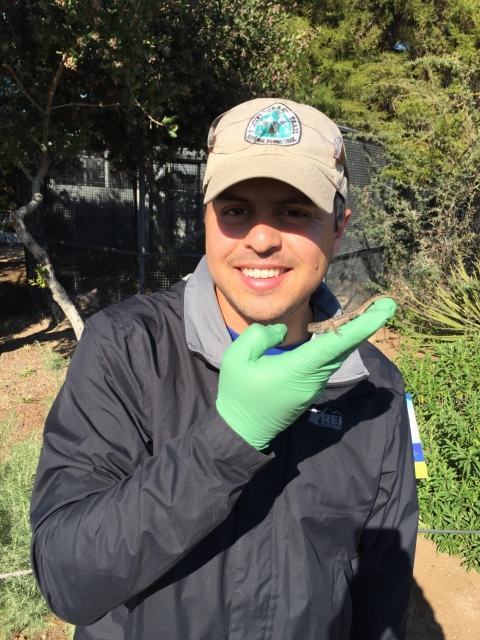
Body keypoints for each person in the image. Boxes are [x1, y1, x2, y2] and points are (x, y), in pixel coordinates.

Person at [30, 98, 418, 640]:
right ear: (206, 220)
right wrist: (228, 438)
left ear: (339, 227)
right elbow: (67, 577)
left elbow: (382, 586)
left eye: (294, 210)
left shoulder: (373, 388)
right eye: (236, 210)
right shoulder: (127, 347)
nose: (261, 238)